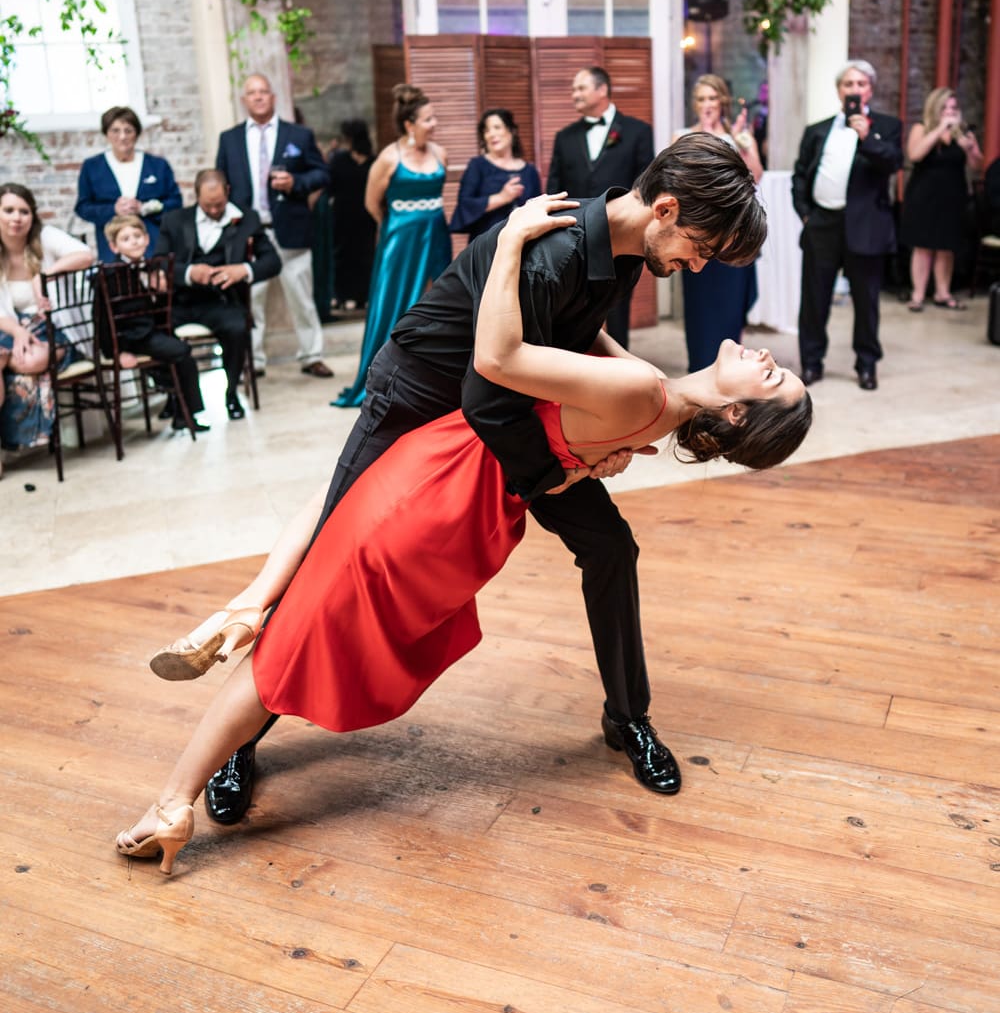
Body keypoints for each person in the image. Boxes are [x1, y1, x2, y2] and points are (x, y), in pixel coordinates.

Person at [115, 192, 811, 876]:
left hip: (445, 478)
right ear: (666, 211)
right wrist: (579, 459)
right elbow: (576, 377)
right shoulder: (646, 386)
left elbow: (499, 364)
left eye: (770, 373)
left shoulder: (641, 387)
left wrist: (507, 237)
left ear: (736, 417)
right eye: (704, 249)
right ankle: (245, 637)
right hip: (447, 440)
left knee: (307, 615)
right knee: (320, 552)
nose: (703, 271)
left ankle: (181, 783)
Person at [334, 84, 451, 408]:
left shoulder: (440, 154)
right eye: (428, 119)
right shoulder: (388, 158)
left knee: (440, 301)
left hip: (436, 235)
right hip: (400, 240)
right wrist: (397, 226)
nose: (434, 123)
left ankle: (434, 375)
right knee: (394, 304)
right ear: (409, 124)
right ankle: (382, 376)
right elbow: (372, 203)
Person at [792, 60, 903, 391]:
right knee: (814, 300)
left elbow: (893, 163)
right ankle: (811, 363)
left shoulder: (887, 125)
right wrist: (806, 214)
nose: (854, 89)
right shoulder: (817, 129)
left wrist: (866, 136)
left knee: (866, 301)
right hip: (822, 223)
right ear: (839, 90)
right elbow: (800, 174)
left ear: (870, 89)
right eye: (848, 84)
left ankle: (866, 364)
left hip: (865, 227)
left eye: (861, 84)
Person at [215, 74, 333, 380]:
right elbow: (220, 184)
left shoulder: (299, 135)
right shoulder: (229, 139)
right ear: (244, 100)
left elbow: (321, 175)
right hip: (249, 232)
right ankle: (253, 360)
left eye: (263, 92)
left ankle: (312, 355)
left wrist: (297, 183)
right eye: (251, 93)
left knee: (301, 296)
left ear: (273, 96)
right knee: (252, 299)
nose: (258, 97)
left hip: (291, 226)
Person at [154, 170, 281, 421]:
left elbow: (273, 262)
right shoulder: (174, 220)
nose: (214, 210)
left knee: (237, 328)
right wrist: (190, 272)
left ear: (228, 192)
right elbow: (158, 263)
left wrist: (242, 270)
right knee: (151, 332)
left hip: (222, 300)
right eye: (208, 205)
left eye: (219, 204)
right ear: (196, 196)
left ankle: (231, 393)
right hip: (182, 301)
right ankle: (175, 394)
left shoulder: (246, 219)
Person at [546, 66, 654, 346]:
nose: (574, 95)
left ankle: (620, 374)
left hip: (620, 236)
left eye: (580, 88)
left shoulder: (638, 132)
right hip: (574, 236)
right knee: (570, 305)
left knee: (618, 307)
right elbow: (555, 187)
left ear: (602, 89)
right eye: (573, 90)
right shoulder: (565, 137)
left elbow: (645, 187)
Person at [673, 75, 763, 370]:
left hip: (732, 235)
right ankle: (699, 369)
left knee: (730, 308)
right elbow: (672, 183)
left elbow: (756, 176)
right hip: (695, 238)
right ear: (694, 104)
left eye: (713, 98)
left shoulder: (738, 135)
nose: (707, 105)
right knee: (700, 309)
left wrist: (739, 143)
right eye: (702, 99)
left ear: (722, 102)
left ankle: (730, 371)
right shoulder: (682, 136)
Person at [0, 183, 94, 465]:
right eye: (8, 210)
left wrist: (46, 274)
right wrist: (17, 333)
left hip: (55, 325)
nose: (17, 218)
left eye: (24, 211)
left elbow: (86, 255)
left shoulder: (45, 236)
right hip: (9, 326)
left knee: (29, 362)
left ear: (33, 215)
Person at [100, 215, 209, 434]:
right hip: (133, 337)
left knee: (181, 356)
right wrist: (116, 353)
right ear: (114, 246)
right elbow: (102, 319)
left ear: (147, 239)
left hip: (152, 333)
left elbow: (158, 312)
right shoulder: (110, 275)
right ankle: (184, 411)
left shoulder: (151, 269)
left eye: (138, 236)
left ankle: (181, 411)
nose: (134, 242)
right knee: (181, 353)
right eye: (126, 238)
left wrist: (159, 292)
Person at [900, 87, 982, 310]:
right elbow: (914, 154)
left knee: (947, 246)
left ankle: (942, 293)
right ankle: (917, 295)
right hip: (924, 195)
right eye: (945, 107)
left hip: (953, 195)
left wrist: (971, 149)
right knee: (923, 246)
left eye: (954, 107)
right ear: (934, 108)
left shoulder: (963, 133)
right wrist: (939, 130)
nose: (949, 111)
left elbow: (977, 166)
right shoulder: (922, 128)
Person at [75, 106, 182, 263]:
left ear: (137, 134)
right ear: (106, 134)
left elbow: (175, 203)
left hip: (154, 246)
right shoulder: (92, 167)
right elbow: (83, 207)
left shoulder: (157, 165)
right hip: (112, 251)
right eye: (115, 131)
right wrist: (113, 209)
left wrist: (144, 208)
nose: (122, 136)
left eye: (128, 130)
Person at [449, 107, 542, 242]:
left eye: (497, 127)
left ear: (512, 131)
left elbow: (537, 211)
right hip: (486, 243)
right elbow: (465, 204)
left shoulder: (530, 171)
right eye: (486, 130)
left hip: (523, 243)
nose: (492, 134)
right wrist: (502, 197)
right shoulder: (477, 165)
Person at [327, 119, 377, 311]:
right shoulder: (340, 159)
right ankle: (346, 295)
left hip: (361, 215)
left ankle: (360, 295)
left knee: (364, 256)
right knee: (345, 255)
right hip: (345, 216)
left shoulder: (372, 161)